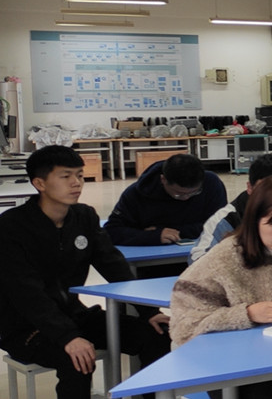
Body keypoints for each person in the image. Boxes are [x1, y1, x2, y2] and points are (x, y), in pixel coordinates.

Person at [0, 146, 170, 399]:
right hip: (26, 327)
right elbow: (26, 293)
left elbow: (114, 266)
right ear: (40, 183)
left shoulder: (84, 217)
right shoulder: (12, 227)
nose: (76, 183)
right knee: (77, 360)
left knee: (156, 335)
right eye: (65, 176)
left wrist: (149, 312)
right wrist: (67, 337)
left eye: (79, 175)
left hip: (75, 316)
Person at [170, 175, 272, 399]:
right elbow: (184, 324)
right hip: (232, 367)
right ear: (255, 220)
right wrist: (246, 314)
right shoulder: (224, 258)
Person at [190, 153, 272, 264]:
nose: (270, 197)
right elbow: (198, 261)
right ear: (250, 188)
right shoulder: (227, 217)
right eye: (263, 190)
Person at [105, 153, 227, 246]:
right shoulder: (136, 194)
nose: (186, 198)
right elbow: (111, 231)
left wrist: (176, 232)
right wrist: (152, 236)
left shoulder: (211, 183)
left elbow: (222, 225)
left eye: (194, 192)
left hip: (202, 252)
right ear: (163, 180)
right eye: (179, 194)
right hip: (152, 259)